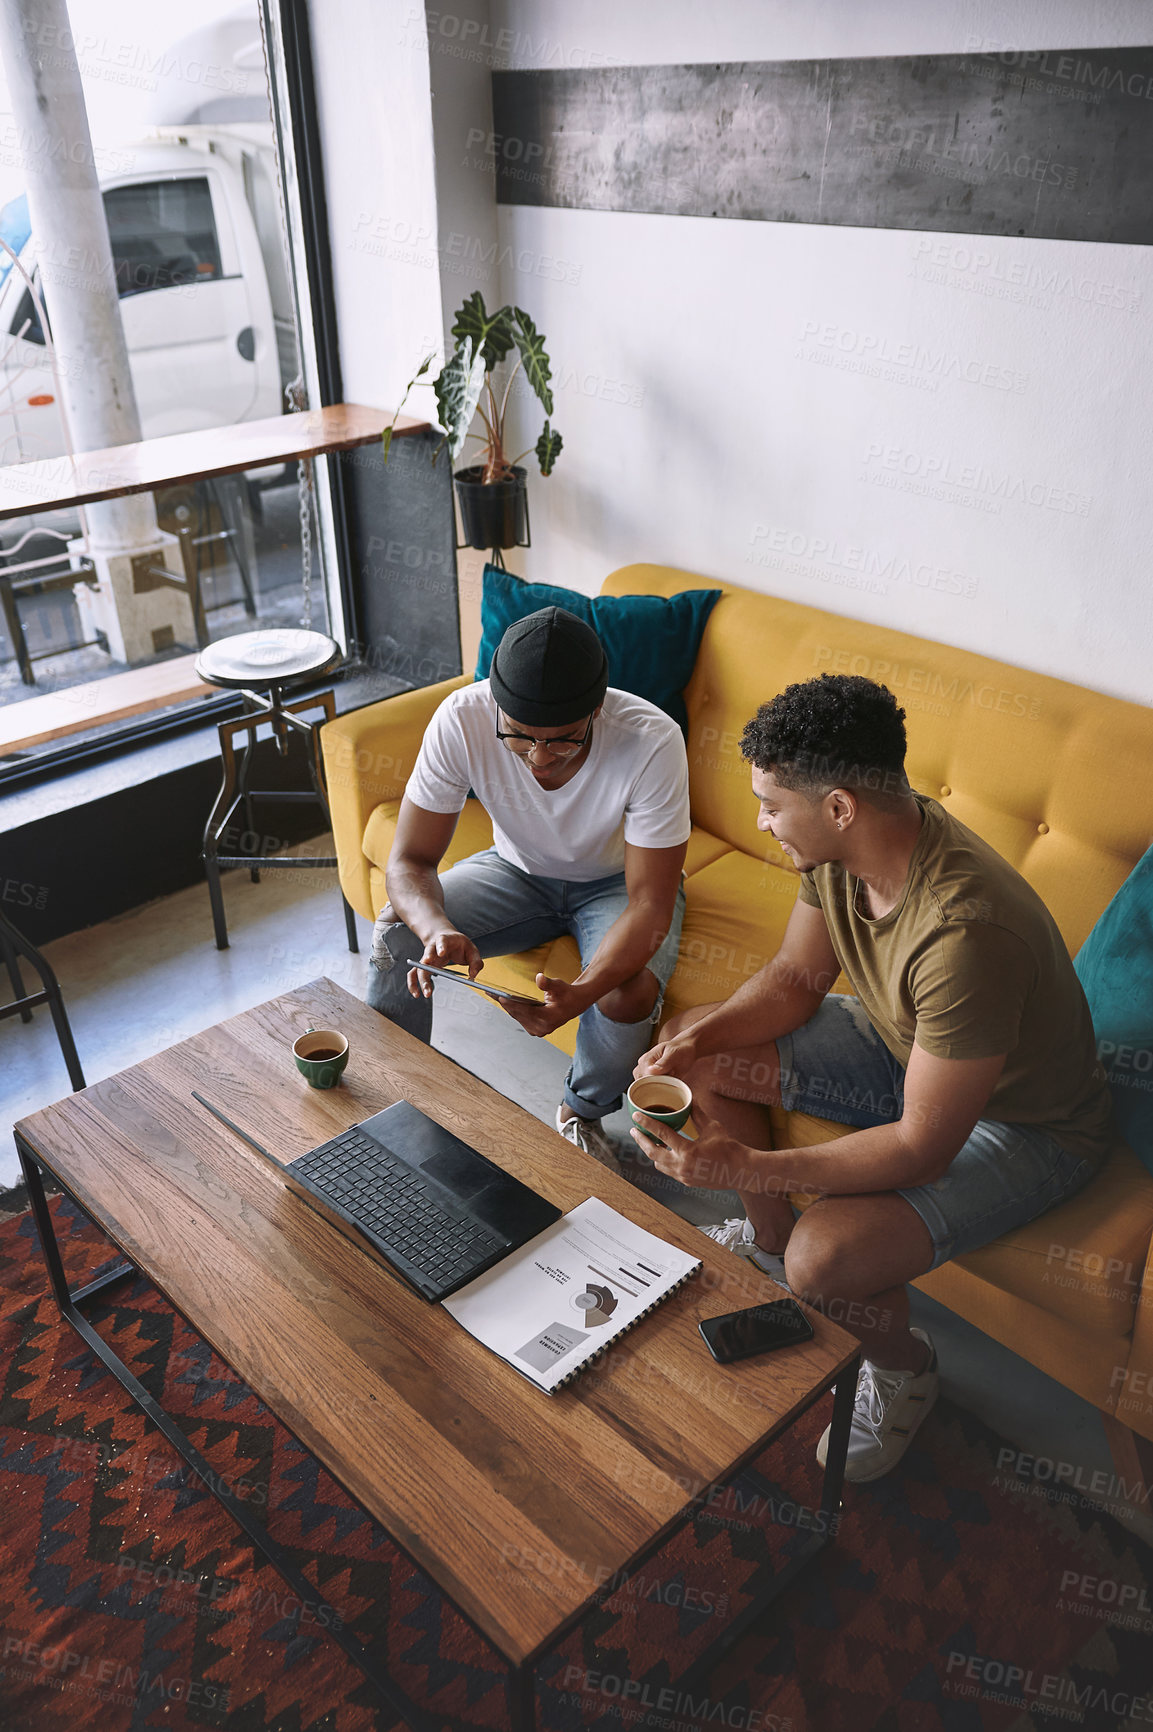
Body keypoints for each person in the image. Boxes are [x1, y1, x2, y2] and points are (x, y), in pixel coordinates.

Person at [630, 672, 1112, 1481]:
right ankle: (769, 1241)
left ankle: (902, 1371)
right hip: (904, 1044)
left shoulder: (965, 934)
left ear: (839, 805)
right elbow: (792, 980)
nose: (759, 821)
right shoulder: (841, 844)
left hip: (1026, 1122)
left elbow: (924, 1146)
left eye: (769, 805)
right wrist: (691, 1039)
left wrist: (747, 1167)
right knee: (695, 1047)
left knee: (827, 1261)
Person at [367, 605, 690, 1169]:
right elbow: (409, 863)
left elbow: (650, 904)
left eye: (563, 742)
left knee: (628, 991)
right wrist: (437, 927)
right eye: (519, 739)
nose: (540, 760)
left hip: (616, 885)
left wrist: (580, 996)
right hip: (515, 870)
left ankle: (580, 1114)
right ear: (496, 705)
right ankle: (395, 1097)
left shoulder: (652, 739)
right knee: (397, 933)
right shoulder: (462, 718)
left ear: (596, 709)